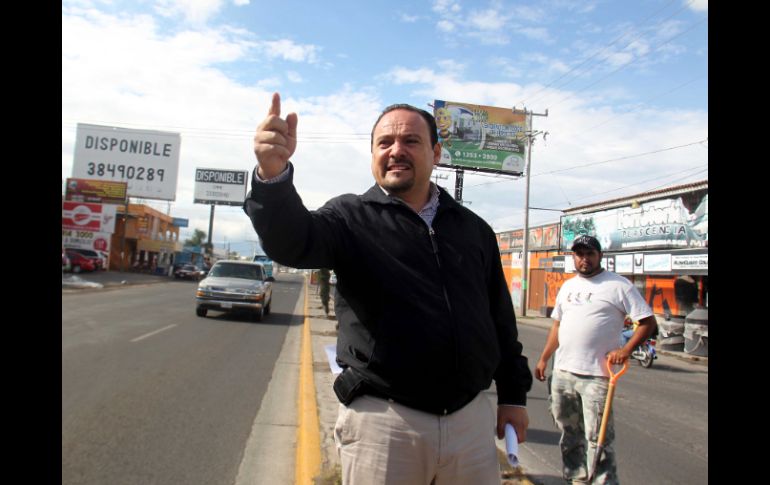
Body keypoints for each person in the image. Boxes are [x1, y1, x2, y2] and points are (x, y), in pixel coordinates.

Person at [244, 93, 533, 485]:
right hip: (384, 425)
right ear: (373, 155)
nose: (396, 151)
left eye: (411, 141)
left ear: (436, 153)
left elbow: (500, 321)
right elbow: (292, 241)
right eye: (385, 143)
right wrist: (272, 176)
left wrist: (513, 396)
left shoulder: (474, 230)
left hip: (470, 423)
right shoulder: (348, 217)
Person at [534, 235, 656, 484]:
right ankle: (576, 479)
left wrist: (626, 350)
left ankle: (602, 481)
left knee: (598, 439)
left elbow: (647, 322)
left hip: (597, 376)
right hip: (563, 373)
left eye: (590, 254)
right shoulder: (568, 287)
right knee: (569, 434)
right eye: (579, 254)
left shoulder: (619, 285)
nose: (584, 259)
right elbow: (557, 326)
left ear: (600, 256)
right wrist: (544, 358)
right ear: (573, 257)